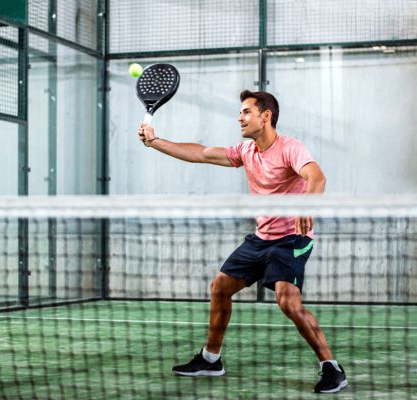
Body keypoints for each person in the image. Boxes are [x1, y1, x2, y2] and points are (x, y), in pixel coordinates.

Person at [137, 91, 348, 394]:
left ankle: (332, 368)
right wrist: (156, 141)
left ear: (266, 116)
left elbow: (317, 177)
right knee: (220, 288)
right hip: (260, 238)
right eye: (240, 112)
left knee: (288, 301)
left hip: (291, 239)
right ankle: (211, 360)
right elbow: (201, 153)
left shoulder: (290, 148)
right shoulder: (246, 152)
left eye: (246, 112)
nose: (240, 117)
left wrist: (307, 206)